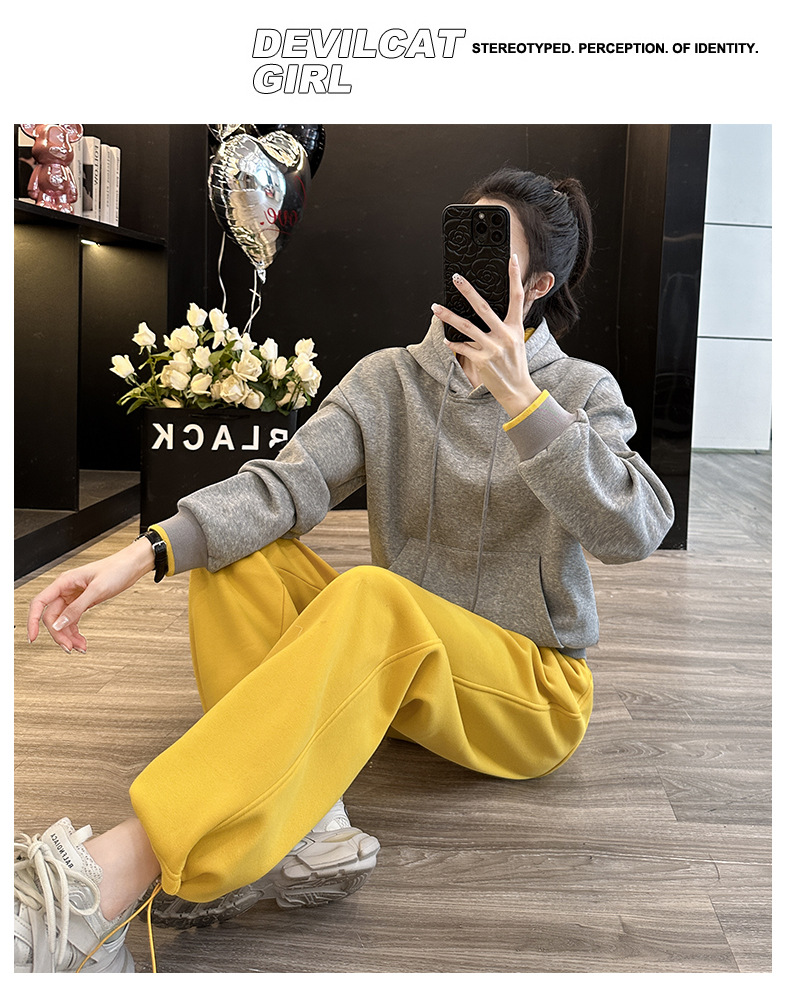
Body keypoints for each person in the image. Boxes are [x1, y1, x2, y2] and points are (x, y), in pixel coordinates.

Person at [16, 167, 675, 973]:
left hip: (527, 696)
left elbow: (634, 531)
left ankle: (106, 883)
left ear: (537, 285)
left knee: (371, 595)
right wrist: (141, 553)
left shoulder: (578, 389)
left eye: (490, 249)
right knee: (241, 553)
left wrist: (524, 405)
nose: (464, 264)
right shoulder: (388, 378)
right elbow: (281, 487)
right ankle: (303, 829)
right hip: (397, 681)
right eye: (458, 237)